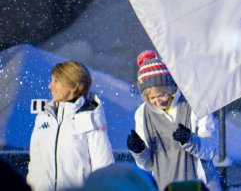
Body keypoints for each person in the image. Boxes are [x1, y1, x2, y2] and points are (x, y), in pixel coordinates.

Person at [127, 50, 221, 191]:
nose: (158, 101)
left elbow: (211, 150)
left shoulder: (194, 104)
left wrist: (190, 140)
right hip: (165, 185)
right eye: (152, 98)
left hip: (199, 185)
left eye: (162, 95)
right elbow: (148, 164)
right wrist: (139, 151)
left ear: (171, 88)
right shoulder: (142, 114)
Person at [27, 61, 114, 191]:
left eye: (56, 81)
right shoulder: (43, 117)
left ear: (73, 86)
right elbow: (35, 165)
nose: (50, 86)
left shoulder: (90, 117)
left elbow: (103, 167)